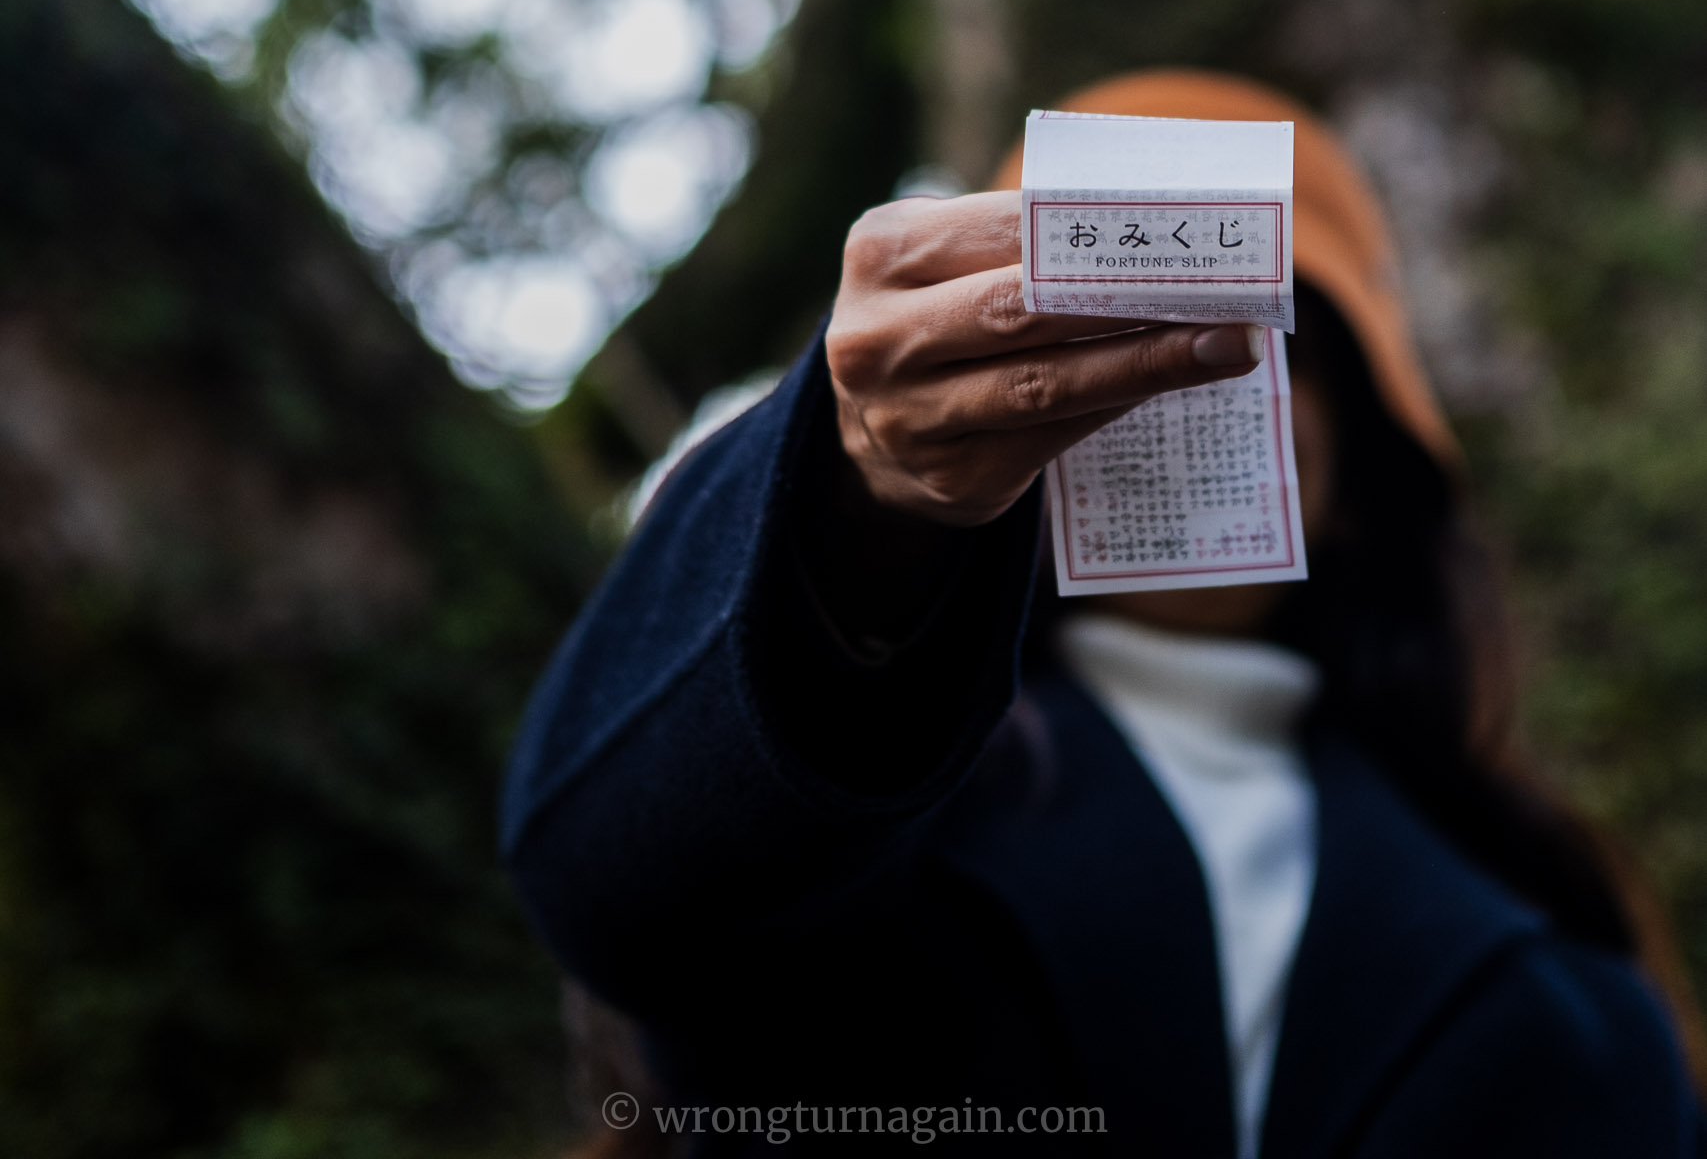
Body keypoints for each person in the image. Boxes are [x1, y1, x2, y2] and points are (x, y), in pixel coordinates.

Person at [503, 71, 1703, 1157]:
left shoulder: (1565, 983)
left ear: (1358, 483)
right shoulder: (854, 799)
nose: (1185, 366)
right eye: (1109, 325)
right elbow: (611, 884)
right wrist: (849, 494)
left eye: (1274, 335)